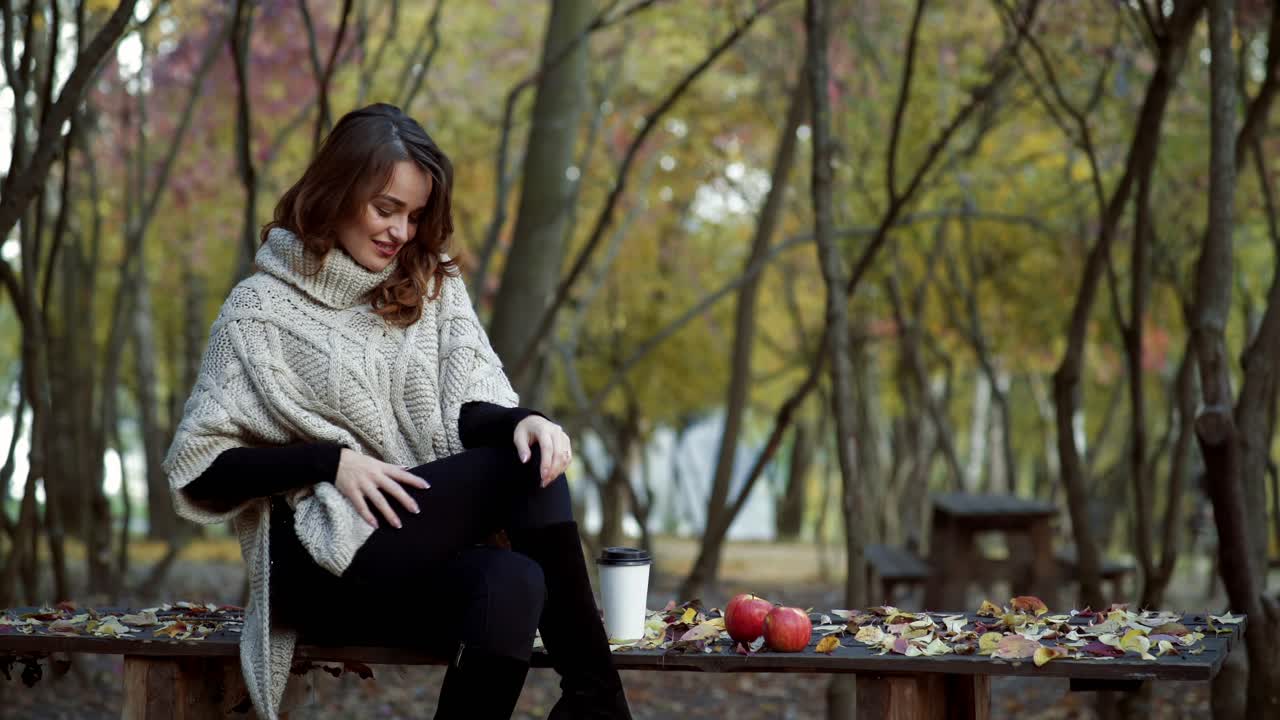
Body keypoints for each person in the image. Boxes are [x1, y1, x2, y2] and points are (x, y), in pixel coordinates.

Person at [164, 103, 632, 720]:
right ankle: (597, 701)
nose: (401, 232)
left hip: (421, 549)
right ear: (336, 191)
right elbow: (198, 469)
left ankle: (594, 701)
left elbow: (462, 409)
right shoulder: (258, 310)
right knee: (522, 471)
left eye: (414, 215)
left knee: (514, 580)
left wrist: (523, 420)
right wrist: (331, 463)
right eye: (386, 209)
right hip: (317, 558)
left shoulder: (430, 282)